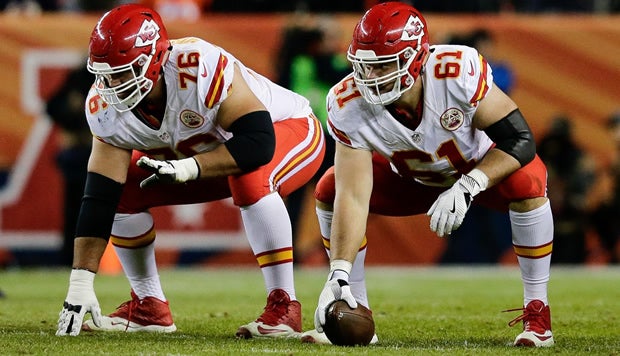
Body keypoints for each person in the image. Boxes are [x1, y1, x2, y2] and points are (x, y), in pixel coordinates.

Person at [55, 4, 325, 338]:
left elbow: (258, 143)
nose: (112, 83)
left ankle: (284, 306)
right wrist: (80, 282)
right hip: (202, 156)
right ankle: (148, 307)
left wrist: (189, 167)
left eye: (124, 71)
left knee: (250, 175)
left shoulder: (198, 66)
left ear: (154, 60)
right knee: (122, 190)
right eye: (106, 73)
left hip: (289, 128)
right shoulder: (104, 106)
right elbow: (99, 195)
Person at [303, 2, 554, 347]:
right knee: (331, 186)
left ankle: (537, 313)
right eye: (365, 66)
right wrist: (339, 271)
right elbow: (352, 194)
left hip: (476, 172)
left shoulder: (456, 71)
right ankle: (352, 302)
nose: (371, 78)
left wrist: (470, 184)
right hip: (412, 179)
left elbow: (520, 139)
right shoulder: (347, 103)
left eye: (383, 66)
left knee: (529, 181)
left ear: (416, 58)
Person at [45, 64, 93, 266]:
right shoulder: (81, 76)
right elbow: (54, 106)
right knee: (80, 210)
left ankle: (76, 261)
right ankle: (76, 260)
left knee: (83, 210)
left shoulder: (81, 76)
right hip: (85, 154)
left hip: (90, 153)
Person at [537, 115, 596, 263]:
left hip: (572, 225)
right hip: (545, 224)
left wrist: (572, 194)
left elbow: (586, 192)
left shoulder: (578, 158)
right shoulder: (542, 153)